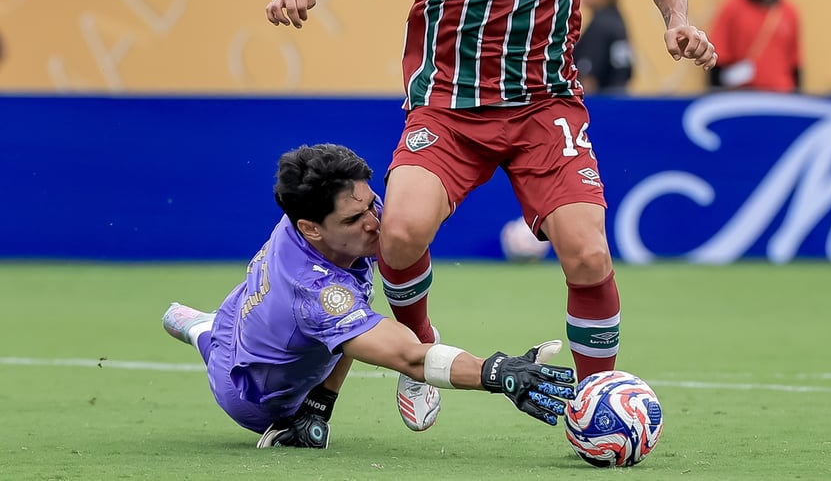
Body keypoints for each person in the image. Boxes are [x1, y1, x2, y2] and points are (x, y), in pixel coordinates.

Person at [264, 0, 716, 432]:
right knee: (399, 233)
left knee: (589, 253)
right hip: (448, 105)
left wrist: (677, 19)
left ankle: (594, 406)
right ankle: (420, 347)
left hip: (545, 105)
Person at [162, 143, 576, 448]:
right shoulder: (317, 292)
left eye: (370, 205)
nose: (374, 222)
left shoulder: (331, 210)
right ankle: (198, 328)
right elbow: (409, 357)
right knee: (330, 322)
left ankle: (199, 324)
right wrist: (495, 372)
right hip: (252, 396)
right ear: (310, 229)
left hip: (246, 308)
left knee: (343, 317)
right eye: (354, 219)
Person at [708, 0, 801, 92]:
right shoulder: (731, 7)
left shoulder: (789, 12)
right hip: (744, 94)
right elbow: (717, 56)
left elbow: (795, 63)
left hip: (781, 94)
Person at [575, 0, 634, 94]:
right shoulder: (616, 19)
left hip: (602, 95)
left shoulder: (600, 25)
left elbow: (589, 78)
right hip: (620, 91)